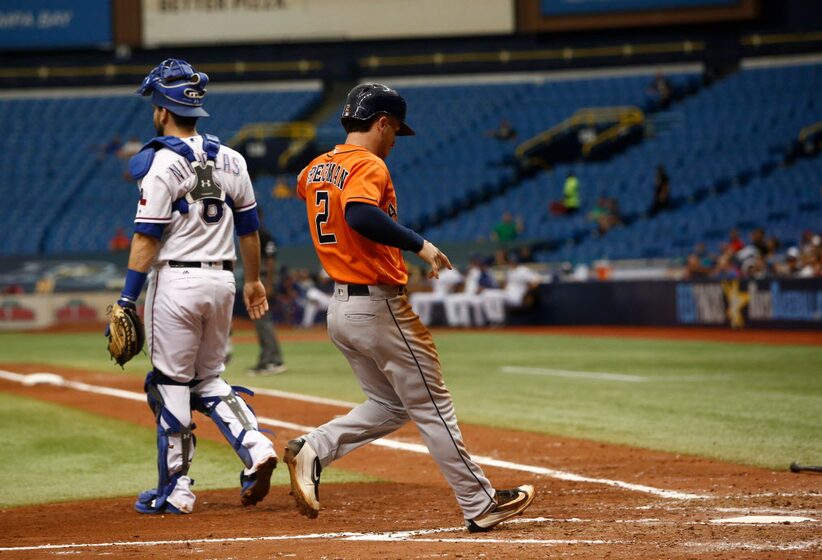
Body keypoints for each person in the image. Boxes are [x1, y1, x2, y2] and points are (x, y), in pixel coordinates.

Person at [288, 83, 535, 532]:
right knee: (433, 405)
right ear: (382, 122)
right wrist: (420, 244)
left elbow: (305, 187)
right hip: (378, 308)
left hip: (341, 308)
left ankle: (315, 448)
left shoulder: (318, 166)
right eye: (396, 130)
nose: (396, 140)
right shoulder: (368, 163)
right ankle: (480, 504)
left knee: (390, 405)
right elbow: (360, 214)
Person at [118, 59, 277, 515]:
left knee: (168, 383)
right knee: (208, 379)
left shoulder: (163, 163)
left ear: (162, 110)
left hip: (176, 280)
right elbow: (250, 229)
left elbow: (147, 235)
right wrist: (254, 282)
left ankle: (177, 489)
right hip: (223, 279)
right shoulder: (232, 158)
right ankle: (255, 445)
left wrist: (128, 297)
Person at [247, 209, 287, 375]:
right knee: (260, 322)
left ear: (260, 217)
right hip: (258, 279)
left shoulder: (263, 234)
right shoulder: (253, 233)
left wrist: (269, 284)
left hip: (263, 279)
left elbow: (271, 260)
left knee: (264, 322)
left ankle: (274, 360)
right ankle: (265, 359)